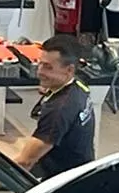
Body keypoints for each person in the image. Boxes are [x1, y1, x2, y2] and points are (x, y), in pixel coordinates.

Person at [7, 34, 96, 178]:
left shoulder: (58, 111)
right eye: (40, 64)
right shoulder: (78, 85)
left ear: (69, 70)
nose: (40, 72)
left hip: (62, 182)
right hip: (82, 168)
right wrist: (49, 87)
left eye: (48, 67)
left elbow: (25, 162)